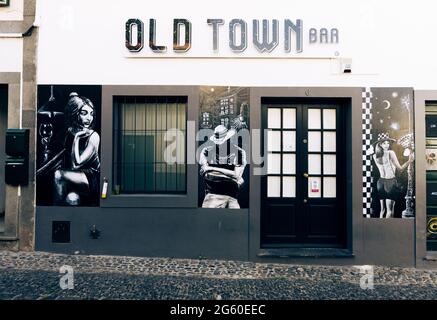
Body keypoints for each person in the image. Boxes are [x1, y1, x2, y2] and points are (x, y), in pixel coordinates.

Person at [53, 92, 100, 206]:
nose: (89, 118)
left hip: (91, 178)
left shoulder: (94, 136)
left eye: (91, 114)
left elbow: (76, 164)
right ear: (75, 114)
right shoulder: (69, 132)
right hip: (74, 176)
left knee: (58, 175)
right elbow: (62, 153)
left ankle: (55, 211)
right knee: (72, 198)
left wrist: (77, 137)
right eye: (84, 113)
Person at [199, 125, 247, 208]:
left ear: (229, 139)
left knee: (235, 219)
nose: (219, 145)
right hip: (212, 197)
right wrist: (232, 178)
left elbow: (237, 175)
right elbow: (207, 175)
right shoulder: (206, 151)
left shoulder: (239, 152)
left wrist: (211, 168)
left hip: (232, 196)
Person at [372, 133, 414, 218]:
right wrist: (409, 160)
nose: (387, 145)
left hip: (380, 183)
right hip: (390, 182)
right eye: (384, 143)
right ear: (380, 144)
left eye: (388, 143)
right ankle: (387, 229)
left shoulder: (374, 155)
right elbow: (400, 169)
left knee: (382, 210)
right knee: (390, 211)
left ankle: (381, 229)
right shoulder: (390, 153)